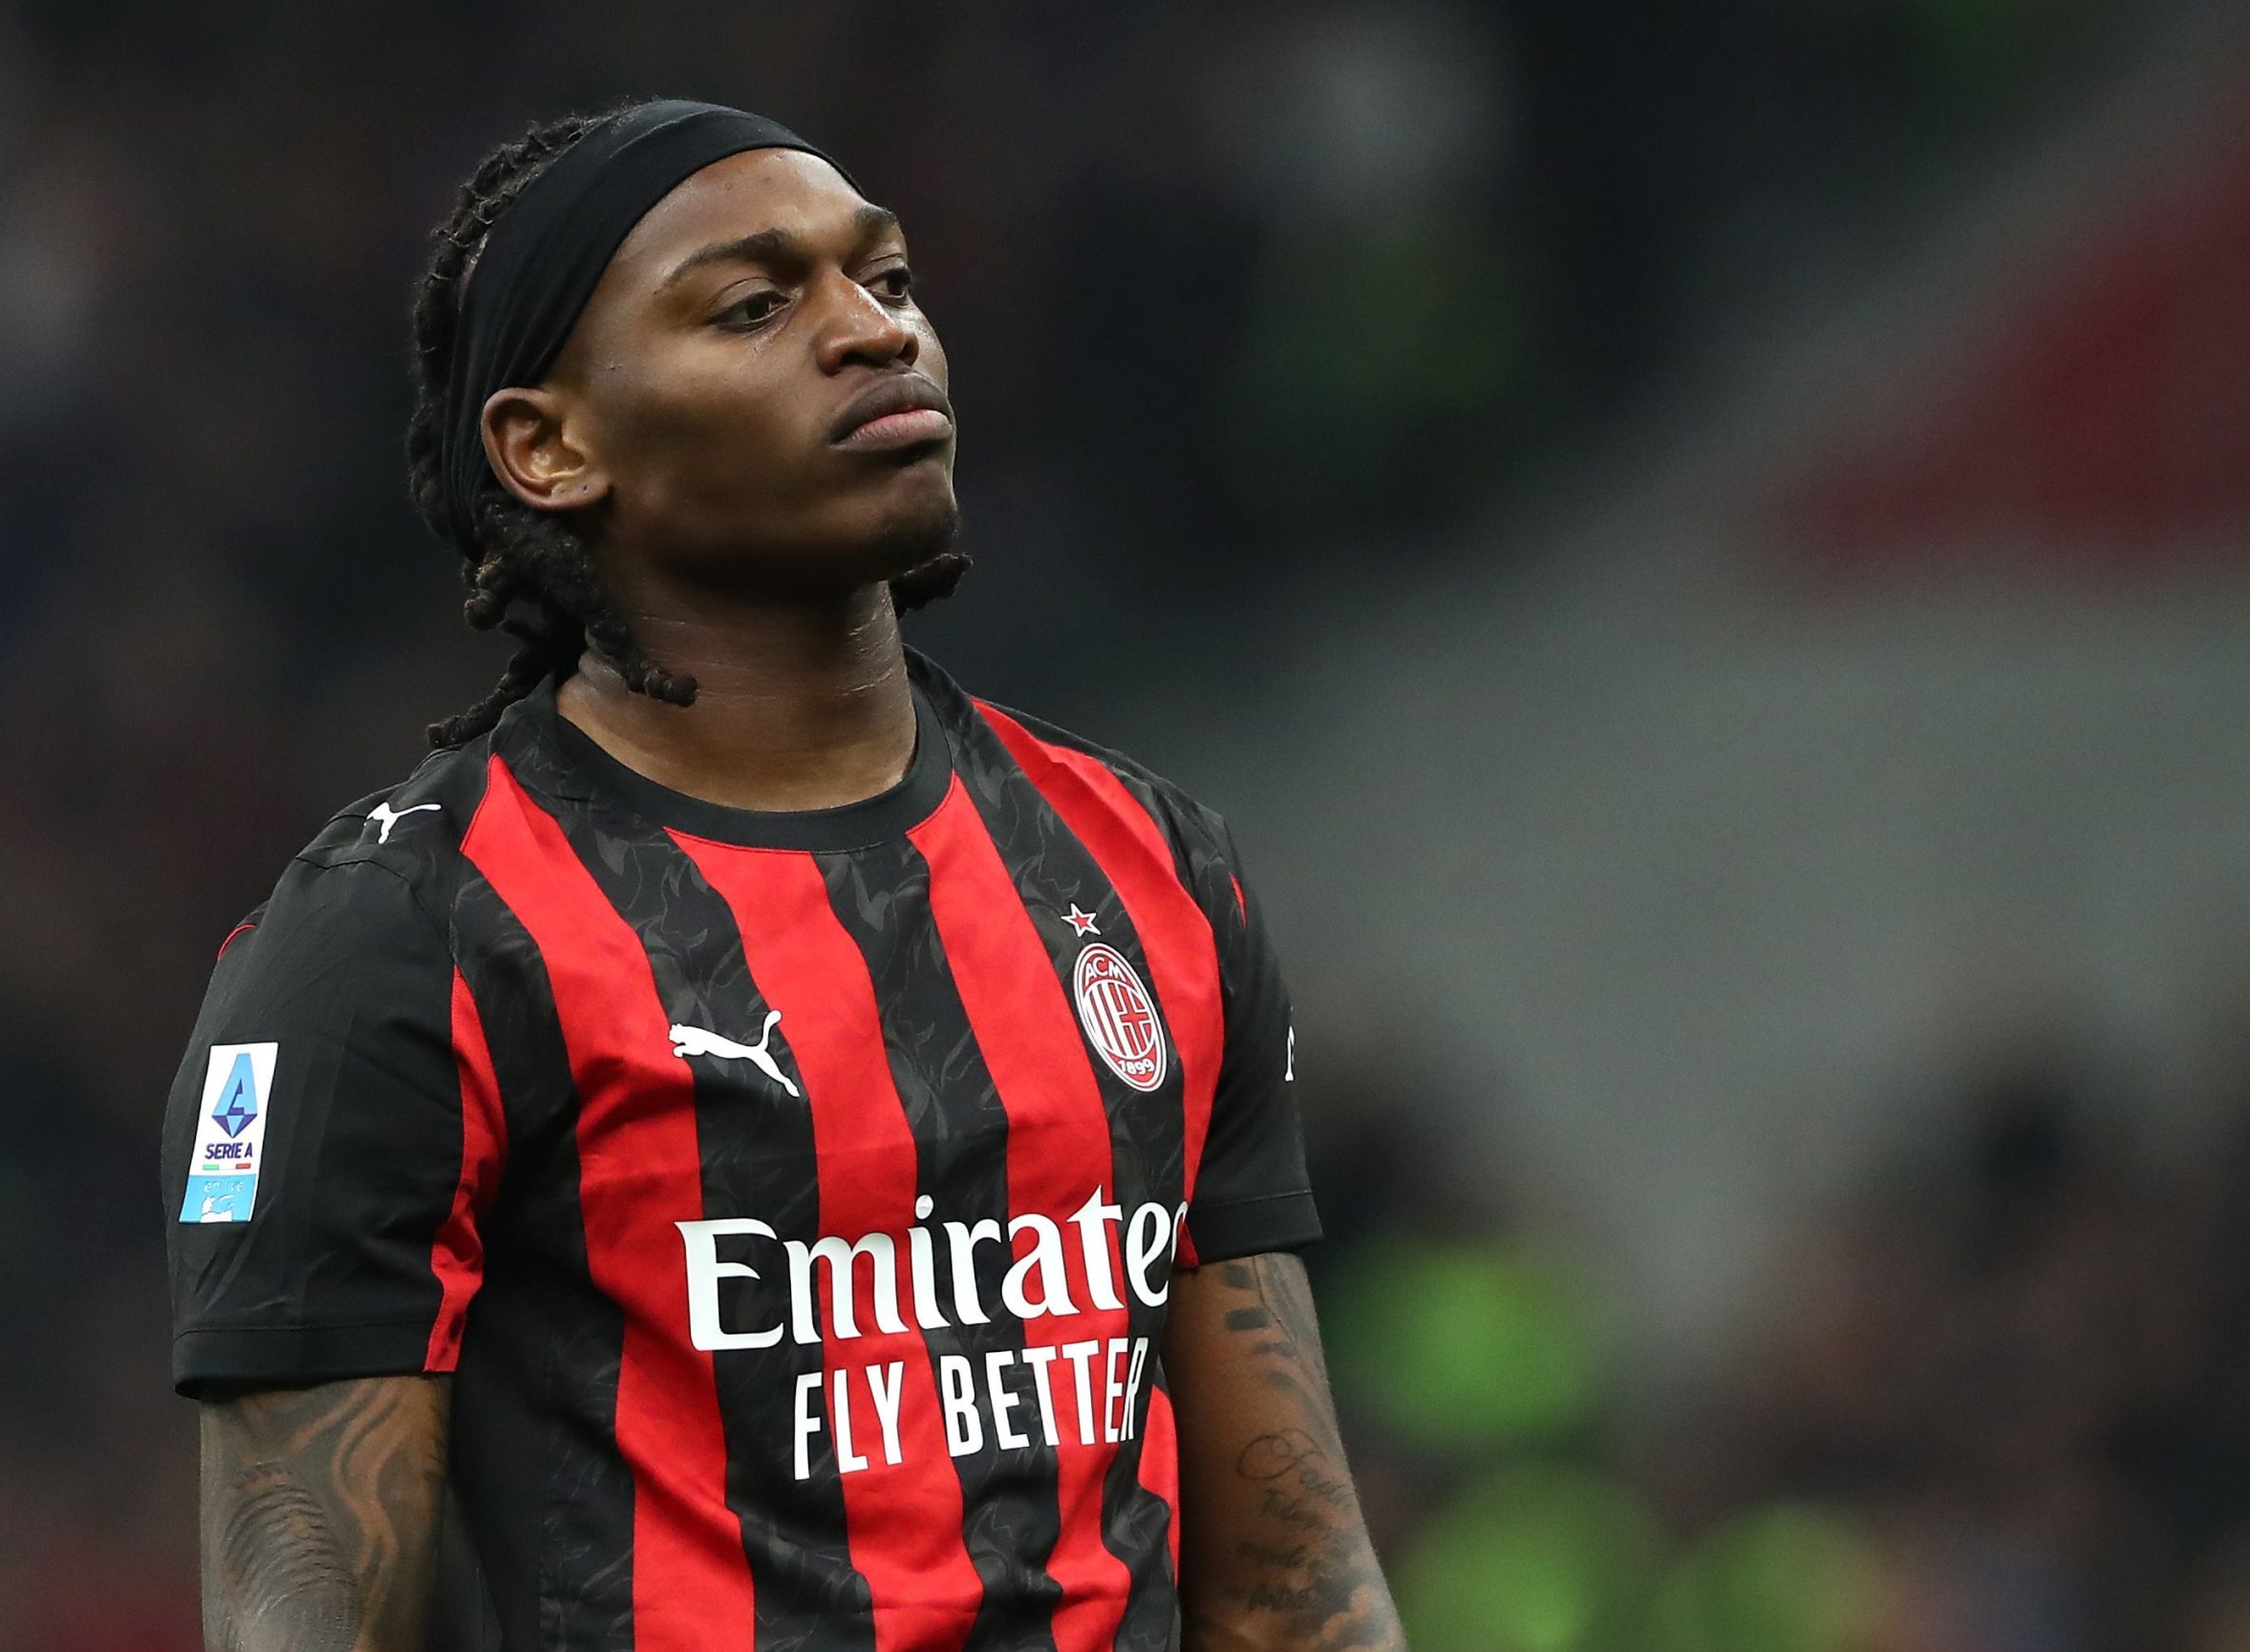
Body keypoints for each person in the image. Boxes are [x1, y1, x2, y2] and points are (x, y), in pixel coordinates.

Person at [161, 98, 1405, 1652]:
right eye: (755, 305)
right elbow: (304, 1612)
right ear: (549, 448)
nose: (875, 333)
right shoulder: (398, 937)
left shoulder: (1147, 862)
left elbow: (1297, 1585)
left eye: (886, 281)